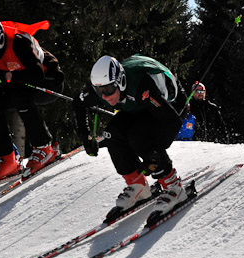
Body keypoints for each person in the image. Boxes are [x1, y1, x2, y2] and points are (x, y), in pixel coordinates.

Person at [73, 54, 196, 226]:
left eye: (108, 90)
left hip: (169, 102)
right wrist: (85, 137)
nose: (105, 97)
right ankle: (138, 186)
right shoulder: (102, 87)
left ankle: (174, 187)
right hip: (138, 105)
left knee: (139, 136)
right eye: (100, 92)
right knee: (111, 134)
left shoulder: (141, 86)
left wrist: (155, 153)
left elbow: (172, 121)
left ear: (121, 81)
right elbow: (77, 103)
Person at [0, 14, 65, 184]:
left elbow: (37, 73)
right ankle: (7, 159)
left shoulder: (18, 42)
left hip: (49, 81)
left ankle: (44, 147)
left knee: (20, 97)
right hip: (22, 83)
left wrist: (10, 76)